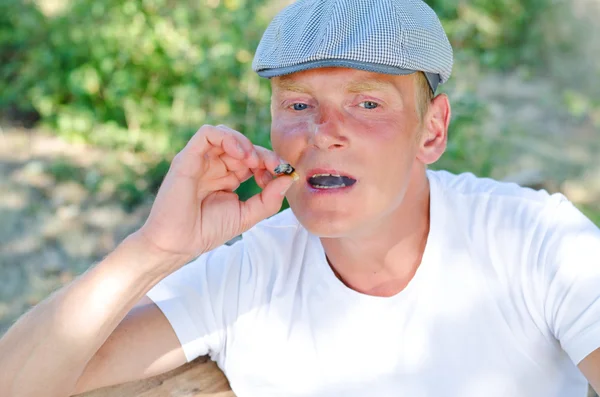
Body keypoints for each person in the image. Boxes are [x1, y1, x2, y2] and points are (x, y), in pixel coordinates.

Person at [2, 0, 600, 396]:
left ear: (433, 131)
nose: (323, 131)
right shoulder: (248, 273)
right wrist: (155, 248)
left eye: (366, 103)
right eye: (297, 104)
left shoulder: (534, 243)